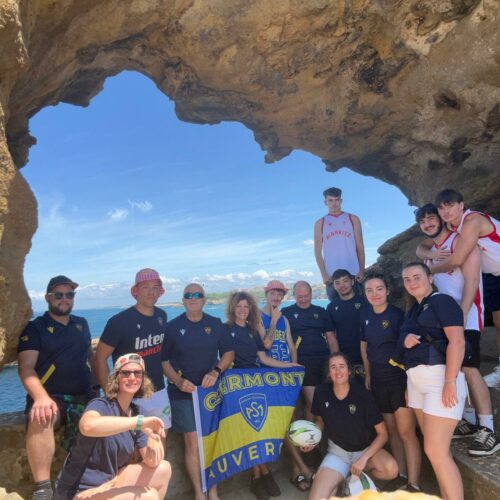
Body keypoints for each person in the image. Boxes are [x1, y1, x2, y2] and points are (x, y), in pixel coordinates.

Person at [415, 204, 499, 455]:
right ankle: (469, 421)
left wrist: (462, 314)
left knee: (470, 368)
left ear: (442, 218)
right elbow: (421, 254)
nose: (428, 223)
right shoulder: (428, 252)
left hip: (467, 315)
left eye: (432, 218)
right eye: (423, 221)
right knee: (457, 367)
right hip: (445, 318)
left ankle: (488, 429)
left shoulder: (461, 241)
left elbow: (472, 281)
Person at [18, 275, 95, 500]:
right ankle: (43, 488)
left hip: (84, 395)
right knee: (41, 417)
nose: (64, 299)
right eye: (58, 295)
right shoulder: (35, 328)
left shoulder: (81, 324)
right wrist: (41, 398)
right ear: (47, 297)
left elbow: (90, 357)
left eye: (69, 295)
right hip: (52, 397)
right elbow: (26, 367)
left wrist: (103, 387)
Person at [54, 353, 171, 499]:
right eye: (125, 373)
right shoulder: (102, 405)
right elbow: (87, 426)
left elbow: (151, 462)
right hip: (78, 491)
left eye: (137, 373)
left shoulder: (137, 412)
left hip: (109, 484)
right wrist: (137, 423)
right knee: (149, 496)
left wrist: (153, 439)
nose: (132, 378)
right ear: (116, 378)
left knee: (164, 469)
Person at [417, 188, 500, 389]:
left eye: (450, 206)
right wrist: (429, 254)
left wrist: (426, 271)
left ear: (461, 205)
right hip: (492, 275)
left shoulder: (472, 221)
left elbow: (457, 260)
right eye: (441, 208)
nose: (446, 211)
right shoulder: (450, 226)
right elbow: (421, 247)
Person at [225, 291, 302, 499]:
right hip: (237, 385)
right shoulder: (226, 329)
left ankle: (259, 475)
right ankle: (262, 474)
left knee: (257, 431)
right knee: (248, 431)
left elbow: (265, 357)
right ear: (232, 308)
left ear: (250, 309)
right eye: (238, 306)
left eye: (246, 306)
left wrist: (289, 365)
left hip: (256, 382)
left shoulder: (252, 330)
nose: (242, 310)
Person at [401, 262, 467, 500]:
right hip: (417, 383)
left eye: (417, 277)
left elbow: (457, 341)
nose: (412, 283)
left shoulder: (442, 301)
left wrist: (450, 382)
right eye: (407, 279)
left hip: (439, 379)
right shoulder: (414, 309)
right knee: (435, 452)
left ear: (430, 278)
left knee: (435, 451)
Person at [162, 283, 234, 500]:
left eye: (197, 295)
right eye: (188, 295)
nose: (193, 298)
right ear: (183, 301)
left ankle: (213, 490)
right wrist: (178, 381)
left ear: (204, 300)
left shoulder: (215, 324)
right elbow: (164, 361)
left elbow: (229, 353)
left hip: (210, 392)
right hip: (182, 392)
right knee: (192, 442)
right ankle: (199, 493)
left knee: (211, 440)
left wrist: (216, 371)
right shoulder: (172, 327)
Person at [304, 352, 398, 499]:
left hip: (364, 451)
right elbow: (320, 421)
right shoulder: (321, 392)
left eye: (342, 366)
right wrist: (312, 440)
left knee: (391, 469)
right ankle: (340, 480)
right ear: (328, 373)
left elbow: (383, 434)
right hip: (338, 453)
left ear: (349, 371)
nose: (338, 371)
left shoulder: (363, 395)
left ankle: (353, 483)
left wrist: (364, 459)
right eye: (333, 367)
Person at [360, 273, 421, 491]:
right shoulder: (365, 315)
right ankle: (401, 475)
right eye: (369, 290)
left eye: (379, 288)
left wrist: (410, 383)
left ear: (387, 290)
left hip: (398, 380)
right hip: (378, 380)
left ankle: (414, 483)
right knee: (392, 430)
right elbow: (364, 346)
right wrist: (368, 374)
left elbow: (408, 349)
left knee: (406, 432)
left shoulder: (397, 315)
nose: (374, 294)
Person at [95, 269, 171, 432]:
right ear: (136, 291)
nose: (151, 292)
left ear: (160, 291)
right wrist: (110, 395)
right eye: (145, 287)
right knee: (132, 444)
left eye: (155, 287)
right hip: (130, 395)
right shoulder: (119, 322)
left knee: (160, 437)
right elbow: (100, 358)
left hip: (159, 391)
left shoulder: (162, 316)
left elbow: (162, 355)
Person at [282, 281, 338, 420]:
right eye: (299, 296)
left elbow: (331, 339)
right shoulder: (286, 313)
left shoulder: (321, 312)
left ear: (311, 294)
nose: (303, 299)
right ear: (294, 295)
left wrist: (336, 361)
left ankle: (319, 432)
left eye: (306, 296)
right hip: (303, 362)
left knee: (326, 402)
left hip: (324, 361)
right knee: (313, 403)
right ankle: (310, 433)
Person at [314, 187, 365, 300]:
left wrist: (362, 270)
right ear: (325, 202)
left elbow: (360, 246)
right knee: (335, 308)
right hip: (332, 276)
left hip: (353, 273)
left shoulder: (353, 218)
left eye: (337, 200)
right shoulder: (320, 223)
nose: (334, 203)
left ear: (341, 201)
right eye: (330, 200)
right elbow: (317, 252)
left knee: (359, 306)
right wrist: (324, 274)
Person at [326, 269, 366, 371]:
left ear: (352, 282)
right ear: (334, 286)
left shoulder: (365, 302)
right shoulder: (331, 307)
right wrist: (337, 362)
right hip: (345, 361)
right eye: (337, 283)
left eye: (345, 281)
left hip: (367, 357)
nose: (342, 285)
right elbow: (331, 337)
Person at [260, 280, 297, 364]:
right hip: (266, 369)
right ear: (266, 295)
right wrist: (274, 320)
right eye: (272, 293)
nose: (276, 297)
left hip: (286, 367)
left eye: (279, 294)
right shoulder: (258, 317)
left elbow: (291, 348)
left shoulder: (284, 319)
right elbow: (266, 345)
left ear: (282, 297)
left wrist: (294, 366)